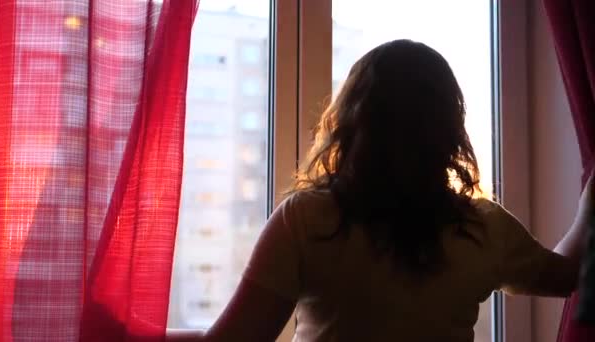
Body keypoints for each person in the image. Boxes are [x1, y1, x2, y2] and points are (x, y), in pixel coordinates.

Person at [167, 39, 595, 341]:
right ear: (448, 132)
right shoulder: (480, 227)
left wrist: (124, 329)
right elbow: (567, 274)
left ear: (353, 123)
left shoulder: (308, 219)